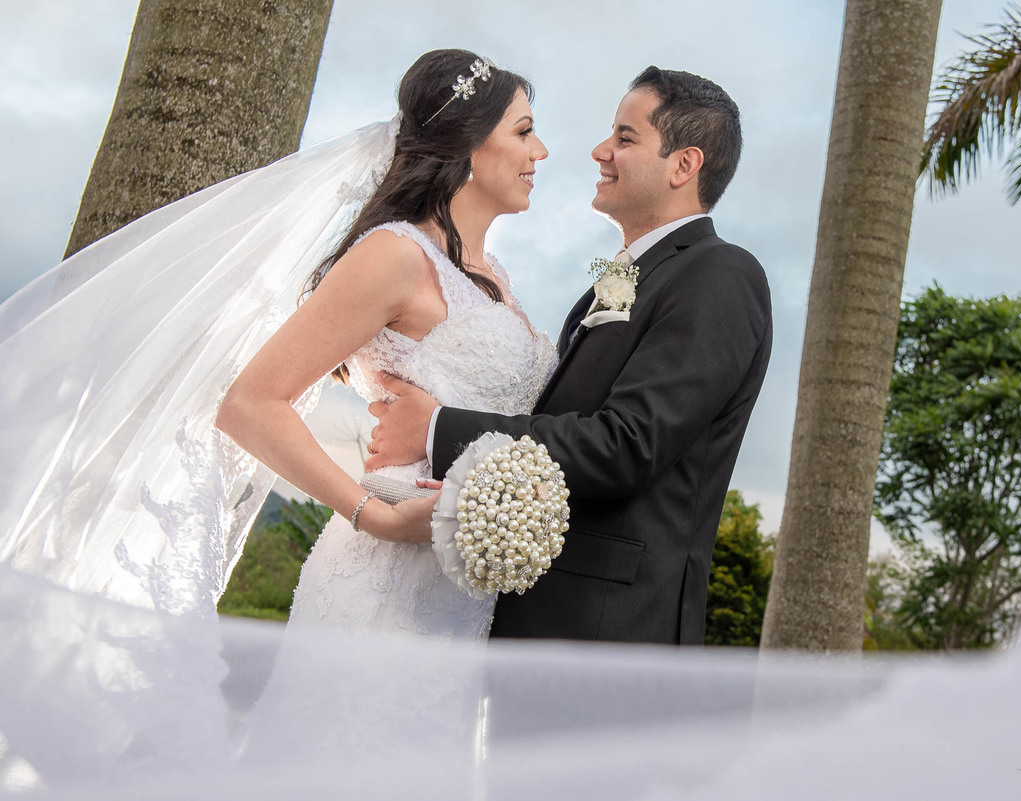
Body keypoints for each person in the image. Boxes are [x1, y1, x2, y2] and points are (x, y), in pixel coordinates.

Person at [364, 67, 773, 645]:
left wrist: (434, 430)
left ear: (684, 166)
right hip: (534, 615)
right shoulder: (610, 283)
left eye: (625, 138)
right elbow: (559, 425)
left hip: (609, 633)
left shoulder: (721, 274)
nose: (600, 151)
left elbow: (629, 444)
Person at [215, 49, 553, 639]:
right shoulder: (395, 254)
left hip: (466, 590)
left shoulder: (495, 275)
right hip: (385, 583)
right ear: (470, 144)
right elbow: (250, 404)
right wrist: (376, 518)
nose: (539, 152)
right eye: (524, 132)